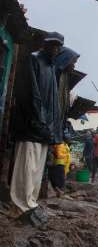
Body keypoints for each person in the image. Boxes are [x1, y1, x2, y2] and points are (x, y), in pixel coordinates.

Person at [10, 32, 64, 228]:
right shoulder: (33, 60)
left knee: (35, 171)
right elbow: (30, 94)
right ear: (45, 44)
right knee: (26, 168)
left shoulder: (52, 68)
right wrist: (38, 122)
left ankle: (30, 204)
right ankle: (20, 208)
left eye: (58, 46)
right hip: (31, 126)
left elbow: (53, 105)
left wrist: (53, 132)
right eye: (52, 45)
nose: (55, 49)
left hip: (44, 131)